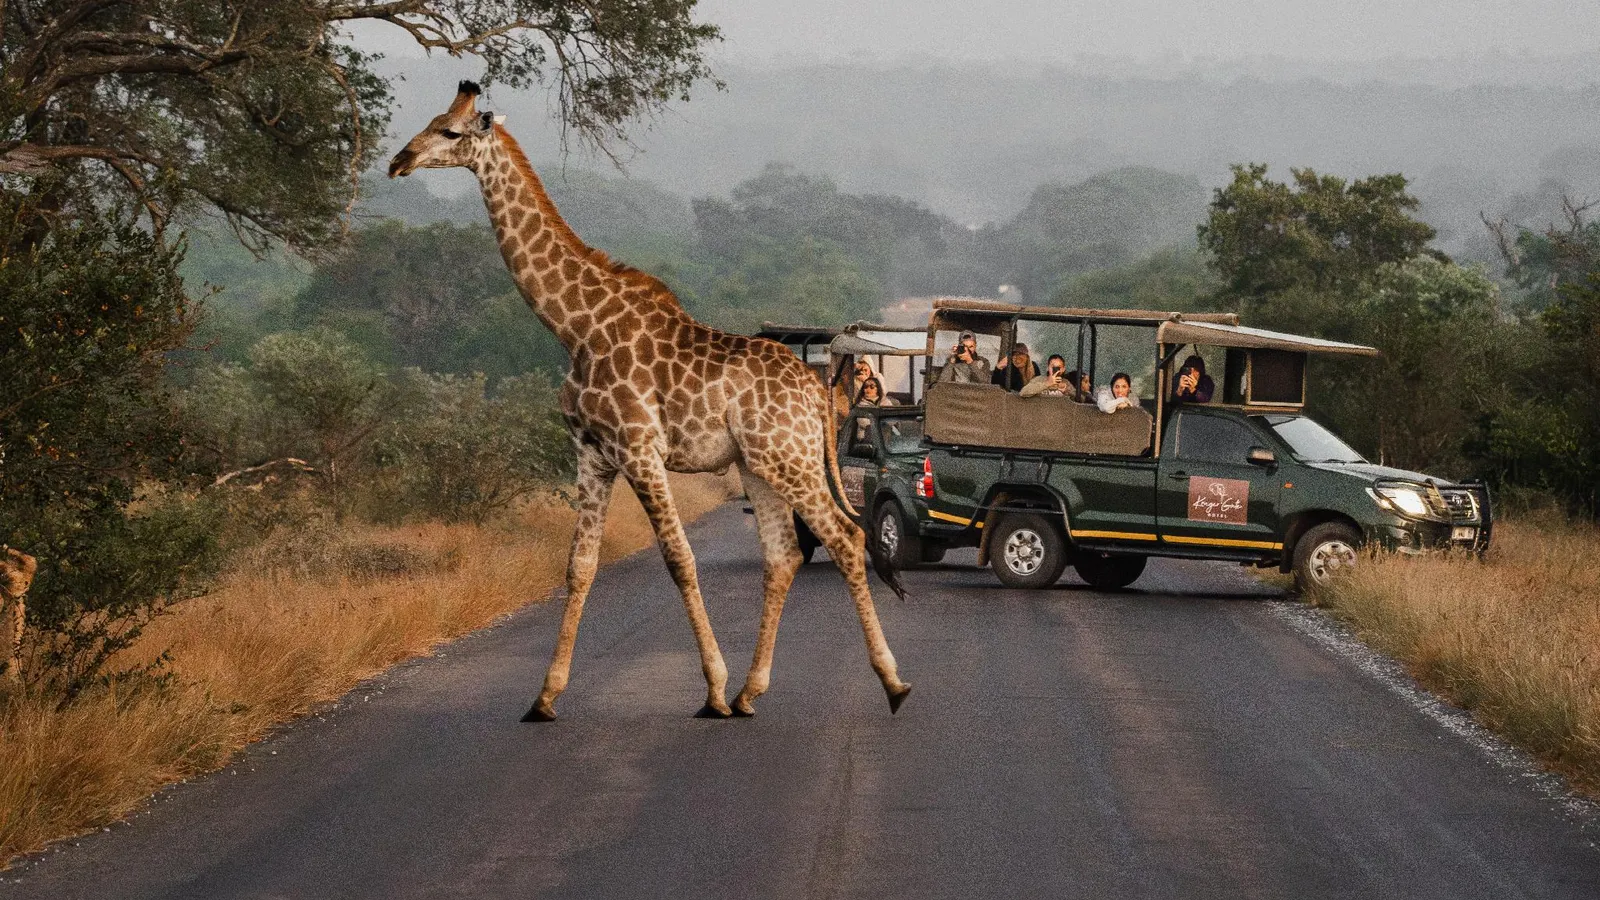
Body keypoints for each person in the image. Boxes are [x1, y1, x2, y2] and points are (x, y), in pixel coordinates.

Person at [852, 376, 895, 442]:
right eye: (866, 387)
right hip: (866, 439)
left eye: (872, 387)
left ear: (877, 389)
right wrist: (882, 420)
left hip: (886, 437)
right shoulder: (860, 405)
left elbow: (892, 419)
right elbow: (864, 422)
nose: (868, 389)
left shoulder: (886, 402)